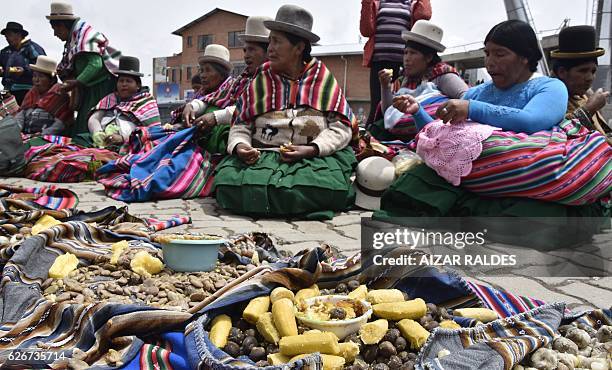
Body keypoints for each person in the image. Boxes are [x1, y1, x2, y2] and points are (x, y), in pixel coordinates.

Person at [383, 19, 609, 216]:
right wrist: (417, 113)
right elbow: (442, 138)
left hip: (527, 176)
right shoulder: (478, 92)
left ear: (525, 57)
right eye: (487, 54)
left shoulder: (549, 87)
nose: (490, 62)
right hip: (478, 181)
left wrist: (473, 109)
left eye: (500, 54)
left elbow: (532, 121)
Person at [213, 5, 358, 219]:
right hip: (262, 157)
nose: (270, 48)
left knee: (324, 185)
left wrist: (313, 149)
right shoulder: (261, 79)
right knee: (227, 183)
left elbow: (342, 127)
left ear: (298, 48)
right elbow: (241, 124)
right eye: (270, 41)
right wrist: (241, 146)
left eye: (277, 42)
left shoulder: (322, 78)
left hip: (312, 159)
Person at [185, 16, 271, 148]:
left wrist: (216, 117)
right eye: (245, 50)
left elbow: (248, 109)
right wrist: (192, 106)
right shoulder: (241, 81)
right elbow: (214, 98)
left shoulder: (272, 81)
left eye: (252, 49)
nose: (246, 55)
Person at [374, 20, 468, 140]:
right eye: (405, 53)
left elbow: (467, 100)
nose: (407, 59)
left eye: (413, 53)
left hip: (439, 140)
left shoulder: (443, 75)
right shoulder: (403, 80)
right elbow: (388, 113)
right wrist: (385, 86)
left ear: (428, 57)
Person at [47, 1, 121, 139]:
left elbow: (95, 65)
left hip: (101, 88)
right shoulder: (75, 40)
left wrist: (76, 82)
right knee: (83, 124)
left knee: (89, 124)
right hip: (90, 89)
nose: (55, 34)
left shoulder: (85, 39)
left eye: (55, 30)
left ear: (62, 26)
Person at [360, 0, 431, 124]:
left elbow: (424, 17)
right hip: (379, 61)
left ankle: (399, 132)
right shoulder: (377, 2)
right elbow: (366, 31)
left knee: (401, 102)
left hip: (404, 63)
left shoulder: (411, 3)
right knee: (377, 104)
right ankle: (373, 135)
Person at [88, 56, 161, 150]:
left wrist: (123, 138)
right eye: (121, 81)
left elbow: (154, 131)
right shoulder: (110, 99)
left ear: (138, 85)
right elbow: (94, 118)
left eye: (128, 81)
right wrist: (97, 133)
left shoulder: (146, 101)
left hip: (131, 144)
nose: (124, 84)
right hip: (101, 142)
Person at [551, 25, 610, 135]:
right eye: (583, 71)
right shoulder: (548, 97)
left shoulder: (583, 95)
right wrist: (590, 109)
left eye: (593, 71)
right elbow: (557, 136)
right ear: (562, 72)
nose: (590, 78)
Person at [15, 56, 72, 135]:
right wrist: (18, 132)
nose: (36, 80)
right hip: (25, 135)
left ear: (51, 80)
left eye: (41, 76)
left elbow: (61, 123)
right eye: (34, 76)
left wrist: (43, 134)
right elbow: (21, 115)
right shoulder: (31, 93)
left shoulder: (60, 94)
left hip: (47, 137)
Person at [0, 22, 46, 105]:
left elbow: (43, 67)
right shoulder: (4, 52)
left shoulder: (32, 48)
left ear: (19, 34)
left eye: (9, 35)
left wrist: (24, 70)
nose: (7, 38)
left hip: (28, 91)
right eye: (6, 36)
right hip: (8, 91)